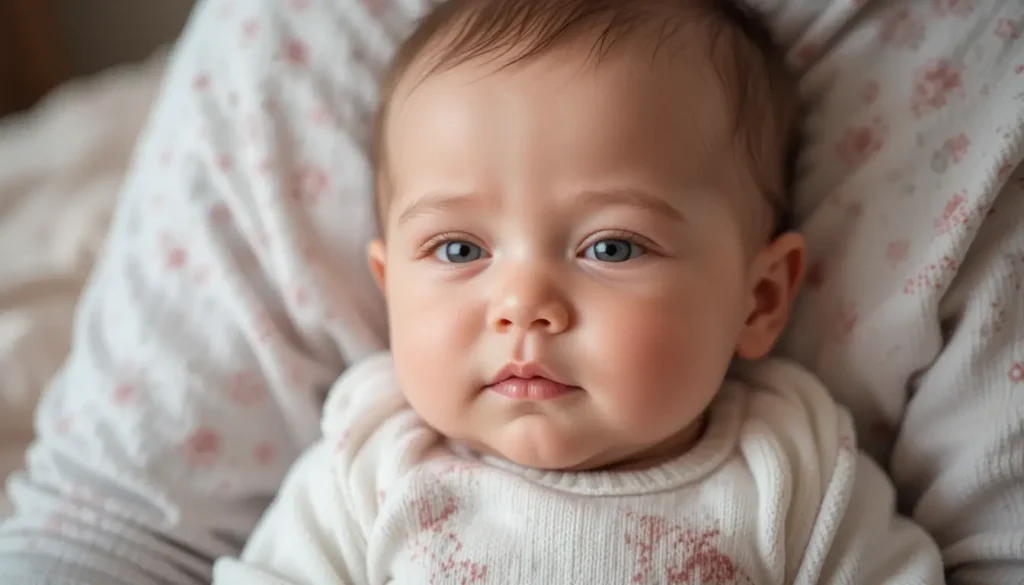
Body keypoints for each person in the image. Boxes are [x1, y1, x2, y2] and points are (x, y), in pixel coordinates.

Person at [0, 0, 1021, 583]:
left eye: (612, 246)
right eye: (457, 249)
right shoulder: (370, 464)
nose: (523, 304)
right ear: (387, 288)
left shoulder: (793, 469)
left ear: (760, 300)